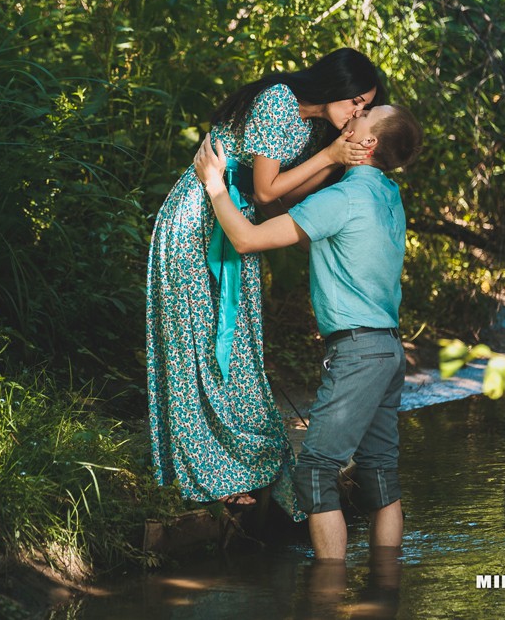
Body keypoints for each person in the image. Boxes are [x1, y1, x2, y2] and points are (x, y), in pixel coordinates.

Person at [147, 49, 385, 516]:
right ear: (334, 85)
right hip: (199, 220)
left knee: (235, 347)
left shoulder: (307, 124)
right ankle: (211, 473)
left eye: (365, 106)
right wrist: (330, 155)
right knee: (197, 344)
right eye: (356, 100)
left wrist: (315, 222)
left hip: (233, 223)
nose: (358, 112)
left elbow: (280, 195)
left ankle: (235, 465)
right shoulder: (280, 101)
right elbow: (265, 190)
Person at [193, 103, 423, 558]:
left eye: (364, 115)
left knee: (315, 471)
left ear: (368, 142)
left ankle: (327, 596)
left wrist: (215, 184)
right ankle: (385, 589)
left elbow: (245, 239)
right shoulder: (388, 194)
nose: (352, 117)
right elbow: (291, 210)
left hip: (359, 354)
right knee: (381, 474)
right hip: (388, 350)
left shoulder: (343, 200)